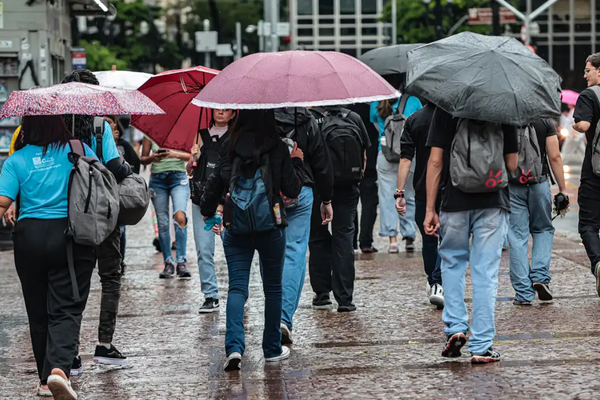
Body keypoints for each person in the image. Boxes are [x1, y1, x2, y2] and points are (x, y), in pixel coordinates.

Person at [0, 116, 97, 400]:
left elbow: (3, 202)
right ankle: (58, 371)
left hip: (29, 237)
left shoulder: (15, 160)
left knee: (37, 309)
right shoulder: (78, 150)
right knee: (66, 306)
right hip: (69, 235)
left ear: (26, 128)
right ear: (60, 124)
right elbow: (100, 183)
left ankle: (45, 381)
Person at [200, 109, 305, 371]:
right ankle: (271, 349)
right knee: (273, 288)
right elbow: (293, 189)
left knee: (237, 287)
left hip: (236, 225)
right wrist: (297, 161)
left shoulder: (229, 145)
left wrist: (208, 209)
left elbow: (215, 185)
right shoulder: (278, 147)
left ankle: (234, 348)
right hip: (270, 224)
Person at [425, 108, 518, 364]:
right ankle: (482, 346)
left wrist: (430, 209)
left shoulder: (446, 109)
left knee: (452, 264)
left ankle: (455, 327)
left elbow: (435, 161)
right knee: (485, 272)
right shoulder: (503, 109)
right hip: (493, 201)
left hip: (454, 201)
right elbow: (511, 164)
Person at [62, 70, 132, 369]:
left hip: (67, 214)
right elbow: (116, 168)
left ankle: (70, 351)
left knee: (72, 282)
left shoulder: (55, 128)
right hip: (103, 215)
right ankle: (104, 345)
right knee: (111, 277)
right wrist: (127, 167)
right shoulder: (101, 127)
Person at [274, 107, 333, 343]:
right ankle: (284, 317)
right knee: (295, 252)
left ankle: (274, 315)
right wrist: (326, 199)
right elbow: (321, 161)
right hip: (301, 189)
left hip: (268, 190)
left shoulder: (259, 114)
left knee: (271, 254)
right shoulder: (306, 118)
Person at [308, 105, 371, 312]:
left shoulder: (311, 118)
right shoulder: (354, 117)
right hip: (348, 186)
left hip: (318, 186)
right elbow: (363, 155)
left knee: (318, 237)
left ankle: (322, 293)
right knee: (344, 237)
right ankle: (345, 298)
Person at [508, 120, 568, 306]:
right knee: (542, 229)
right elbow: (555, 156)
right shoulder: (544, 121)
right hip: (539, 182)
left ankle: (524, 293)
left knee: (517, 237)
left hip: (513, 184)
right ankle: (540, 278)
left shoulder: (506, 119)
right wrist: (562, 189)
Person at [188, 108, 236, 313]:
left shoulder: (236, 138)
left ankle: (238, 291)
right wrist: (193, 158)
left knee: (233, 249)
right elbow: (191, 169)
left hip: (228, 202)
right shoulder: (201, 134)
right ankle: (210, 295)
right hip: (201, 200)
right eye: (218, 109)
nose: (221, 113)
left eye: (226, 110)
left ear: (233, 114)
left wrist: (222, 204)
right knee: (203, 250)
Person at [395, 104, 444, 307]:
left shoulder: (414, 120)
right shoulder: (451, 117)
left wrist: (399, 192)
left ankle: (434, 281)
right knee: (448, 237)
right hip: (450, 185)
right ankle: (438, 282)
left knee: (429, 239)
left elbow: (406, 158)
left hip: (423, 187)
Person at [370, 75, 422, 253]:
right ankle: (409, 234)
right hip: (408, 155)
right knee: (409, 196)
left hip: (384, 154)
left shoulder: (376, 104)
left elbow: (378, 129)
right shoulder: (413, 101)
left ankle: (392, 240)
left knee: (387, 197)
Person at [141, 136, 192, 279]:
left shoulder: (181, 130)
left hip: (179, 178)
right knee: (162, 223)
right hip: (157, 180)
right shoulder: (150, 132)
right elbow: (142, 158)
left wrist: (173, 154)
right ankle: (168, 262)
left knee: (180, 216)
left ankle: (181, 261)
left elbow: (191, 156)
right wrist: (152, 157)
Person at [573, 52, 600, 295]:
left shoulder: (590, 95)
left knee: (589, 225)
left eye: (588, 69)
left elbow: (583, 125)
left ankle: (599, 263)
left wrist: (575, 123)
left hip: (595, 172)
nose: (585, 75)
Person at [106, 115, 141, 276]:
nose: (116, 131)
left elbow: (136, 162)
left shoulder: (122, 146)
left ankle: (119, 261)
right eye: (110, 126)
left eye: (114, 126)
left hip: (118, 192)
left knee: (121, 229)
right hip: (104, 192)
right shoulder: (100, 144)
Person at [350, 102, 380, 253]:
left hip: (349, 163)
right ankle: (366, 241)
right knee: (369, 203)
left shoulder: (347, 111)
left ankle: (351, 240)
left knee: (350, 203)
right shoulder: (373, 109)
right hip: (371, 160)